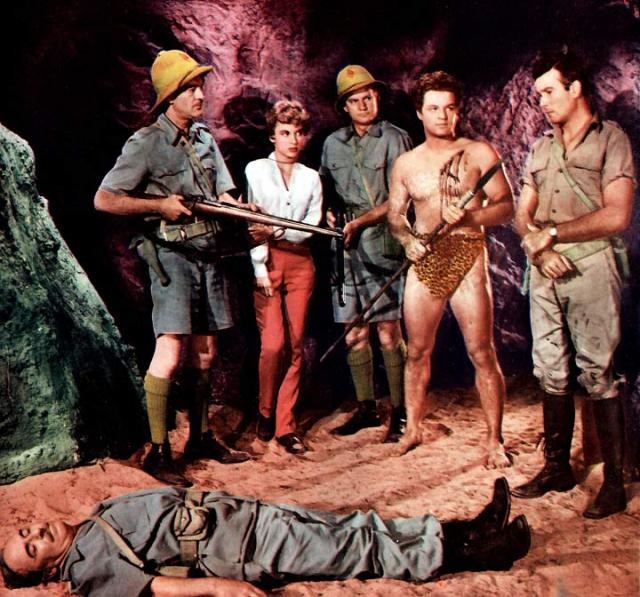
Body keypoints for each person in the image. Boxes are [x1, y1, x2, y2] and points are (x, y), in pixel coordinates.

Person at [94, 49, 250, 487]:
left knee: (206, 352)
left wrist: (243, 209)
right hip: (172, 258)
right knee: (171, 351)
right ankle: (159, 450)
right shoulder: (146, 142)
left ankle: (200, 438)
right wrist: (159, 205)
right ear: (169, 97)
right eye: (190, 89)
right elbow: (105, 199)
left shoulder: (204, 139)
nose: (200, 95)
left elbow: (224, 195)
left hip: (210, 255)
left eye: (200, 87)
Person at [0, 478, 530, 595]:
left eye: (26, 531)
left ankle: (468, 529)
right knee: (356, 551)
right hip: (246, 549)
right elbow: (155, 587)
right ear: (47, 569)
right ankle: (481, 554)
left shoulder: (93, 519)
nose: (36, 532)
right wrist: (221, 587)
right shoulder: (86, 569)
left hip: (248, 518)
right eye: (31, 547)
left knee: (357, 526)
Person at [513, 49, 635, 518]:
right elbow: (523, 213)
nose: (542, 102)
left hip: (591, 265)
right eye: (538, 94)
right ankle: (557, 467)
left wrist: (554, 235)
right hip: (545, 268)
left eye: (549, 91)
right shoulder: (542, 147)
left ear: (575, 87)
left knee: (597, 371)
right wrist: (541, 250)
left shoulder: (611, 140)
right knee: (549, 368)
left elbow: (617, 215)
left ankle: (614, 484)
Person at [387, 71, 514, 468]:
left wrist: (471, 216)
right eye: (434, 108)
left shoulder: (479, 153)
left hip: (467, 254)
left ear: (459, 111)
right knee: (416, 351)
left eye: (450, 108)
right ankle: (412, 428)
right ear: (420, 113)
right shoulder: (406, 163)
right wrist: (407, 240)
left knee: (481, 351)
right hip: (425, 257)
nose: (442, 116)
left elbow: (506, 206)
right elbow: (395, 215)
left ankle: (494, 440)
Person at [320, 65, 413, 442]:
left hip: (382, 242)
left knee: (389, 331)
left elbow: (401, 198)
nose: (364, 105)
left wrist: (360, 222)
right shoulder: (332, 144)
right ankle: (366, 408)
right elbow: (327, 188)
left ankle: (401, 412)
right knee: (354, 332)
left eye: (369, 97)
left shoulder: (395, 138)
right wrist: (329, 212)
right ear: (344, 106)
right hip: (344, 249)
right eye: (355, 100)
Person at [246, 100, 322, 454]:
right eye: (285, 132)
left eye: (299, 133)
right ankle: (264, 411)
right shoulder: (256, 170)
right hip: (267, 262)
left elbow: (309, 229)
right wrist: (260, 266)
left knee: (295, 345)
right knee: (273, 344)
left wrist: (275, 230)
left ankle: (285, 425)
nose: (293, 140)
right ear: (272, 136)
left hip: (301, 264)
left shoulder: (311, 178)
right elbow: (253, 225)